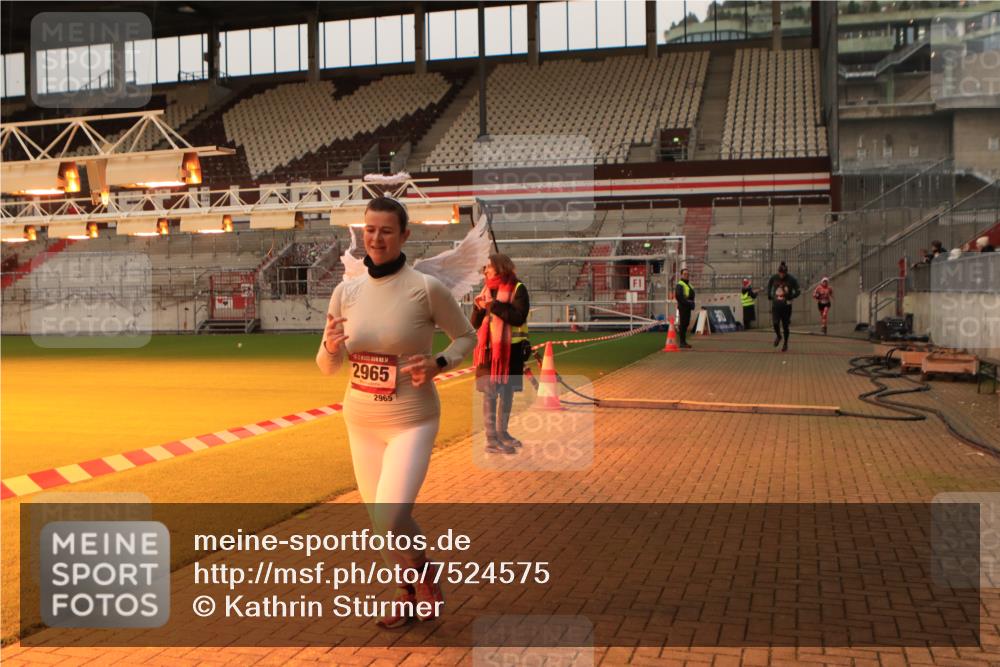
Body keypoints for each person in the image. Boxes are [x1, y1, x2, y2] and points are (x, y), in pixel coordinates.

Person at [316, 196, 476, 629]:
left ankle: (425, 576)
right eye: (370, 230)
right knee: (378, 522)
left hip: (412, 420)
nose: (376, 238)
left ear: (404, 235)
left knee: (391, 515)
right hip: (361, 421)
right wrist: (330, 346)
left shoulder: (426, 288)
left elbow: (467, 337)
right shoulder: (345, 292)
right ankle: (407, 593)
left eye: (386, 231)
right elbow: (327, 365)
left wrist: (439, 362)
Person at [471, 253, 530, 455]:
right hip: (488, 352)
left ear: (500, 267)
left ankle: (502, 433)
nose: (485, 270)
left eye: (488, 266)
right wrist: (478, 309)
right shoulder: (485, 291)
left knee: (507, 393)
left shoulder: (518, 288)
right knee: (490, 394)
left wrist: (493, 306)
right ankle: (491, 440)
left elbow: (518, 317)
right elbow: (474, 324)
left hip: (511, 351)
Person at [766, 261, 800, 352]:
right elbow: (769, 284)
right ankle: (778, 336)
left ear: (786, 272)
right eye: (780, 273)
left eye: (783, 273)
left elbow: (798, 291)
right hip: (776, 305)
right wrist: (769, 294)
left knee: (785, 326)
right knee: (775, 323)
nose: (782, 275)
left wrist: (792, 296)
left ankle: (785, 343)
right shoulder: (774, 277)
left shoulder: (791, 279)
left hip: (786, 306)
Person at [674, 268, 695, 349]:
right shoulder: (680, 284)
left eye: (687, 274)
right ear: (681, 275)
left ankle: (683, 341)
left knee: (686, 323)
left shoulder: (688, 284)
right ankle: (682, 342)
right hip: (683, 307)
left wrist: (691, 303)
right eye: (685, 274)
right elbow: (679, 296)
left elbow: (691, 295)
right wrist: (688, 303)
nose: (686, 275)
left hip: (687, 307)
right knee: (683, 324)